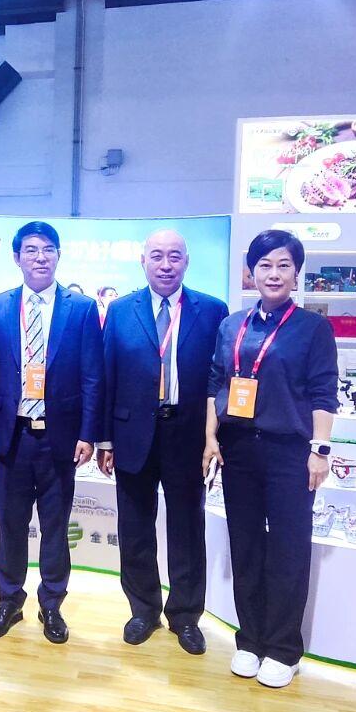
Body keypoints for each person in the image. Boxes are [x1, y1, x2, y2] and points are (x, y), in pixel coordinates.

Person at [203, 229, 338, 690]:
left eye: (283, 265)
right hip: (238, 450)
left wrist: (319, 450)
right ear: (251, 273)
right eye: (264, 265)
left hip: (290, 454)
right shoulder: (232, 325)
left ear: (296, 274)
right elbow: (216, 382)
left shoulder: (313, 328)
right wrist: (210, 436)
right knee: (245, 544)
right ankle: (250, 640)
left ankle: (283, 649)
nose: (273, 274)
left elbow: (323, 392)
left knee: (288, 548)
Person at [98, 229, 227, 655]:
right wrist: (105, 439)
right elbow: (107, 375)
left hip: (187, 435)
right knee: (134, 527)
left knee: (187, 528)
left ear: (187, 261)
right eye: (157, 256)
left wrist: (213, 436)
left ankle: (185, 615)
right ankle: (143, 610)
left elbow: (218, 380)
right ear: (143, 261)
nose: (166, 264)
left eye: (174, 256)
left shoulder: (212, 311)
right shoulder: (121, 310)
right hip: (132, 433)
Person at [0, 221, 103, 644]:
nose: (40, 257)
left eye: (48, 249)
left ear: (58, 255)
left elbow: (92, 376)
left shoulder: (81, 308)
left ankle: (51, 604)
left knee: (55, 527)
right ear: (17, 258)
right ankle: (9, 600)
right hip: (10, 436)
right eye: (31, 250)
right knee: (10, 525)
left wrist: (88, 433)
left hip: (59, 437)